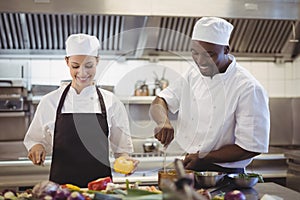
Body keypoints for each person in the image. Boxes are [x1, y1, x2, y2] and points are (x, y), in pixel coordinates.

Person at [150, 17, 270, 173]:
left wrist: (205, 157)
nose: (201, 61)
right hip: (190, 168)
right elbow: (160, 100)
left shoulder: (248, 88)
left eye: (209, 55)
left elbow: (252, 147)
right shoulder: (192, 75)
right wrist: (163, 121)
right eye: (195, 53)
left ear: (226, 50)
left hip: (225, 176)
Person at [24, 33, 138, 187]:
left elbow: (122, 150)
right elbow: (35, 139)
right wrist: (37, 148)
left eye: (89, 66)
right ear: (67, 62)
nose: (82, 73)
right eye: (75, 66)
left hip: (101, 191)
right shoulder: (50, 101)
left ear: (97, 61)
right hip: (60, 192)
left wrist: (127, 162)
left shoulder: (112, 102)